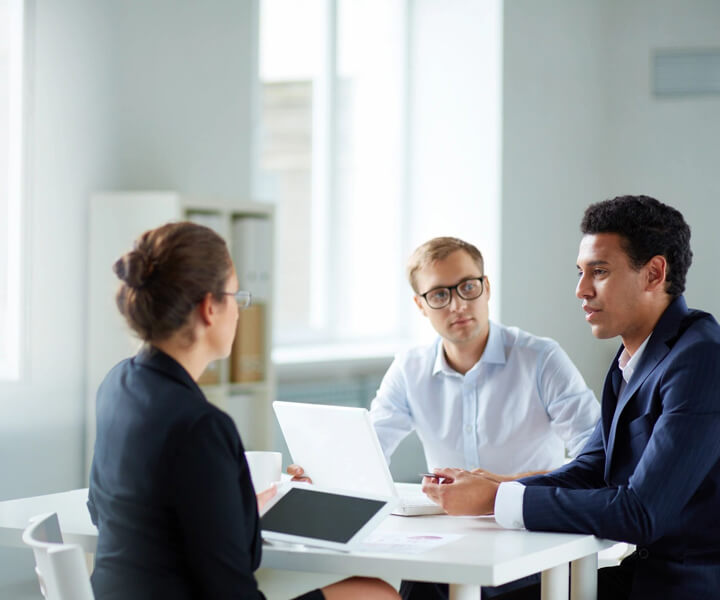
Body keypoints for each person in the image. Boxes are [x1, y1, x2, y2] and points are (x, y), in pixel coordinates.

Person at [422, 196, 720, 600]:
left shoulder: (701, 358)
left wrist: (497, 497)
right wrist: (495, 486)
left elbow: (642, 512)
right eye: (580, 272)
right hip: (631, 574)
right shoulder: (633, 354)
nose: (581, 290)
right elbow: (592, 468)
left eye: (598, 272)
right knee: (435, 587)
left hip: (675, 587)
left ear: (653, 273)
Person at [87, 222, 399, 600]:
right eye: (236, 297)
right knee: (375, 593)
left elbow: (107, 511)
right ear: (209, 308)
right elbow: (232, 586)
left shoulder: (117, 385)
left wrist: (240, 508)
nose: (239, 311)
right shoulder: (201, 425)